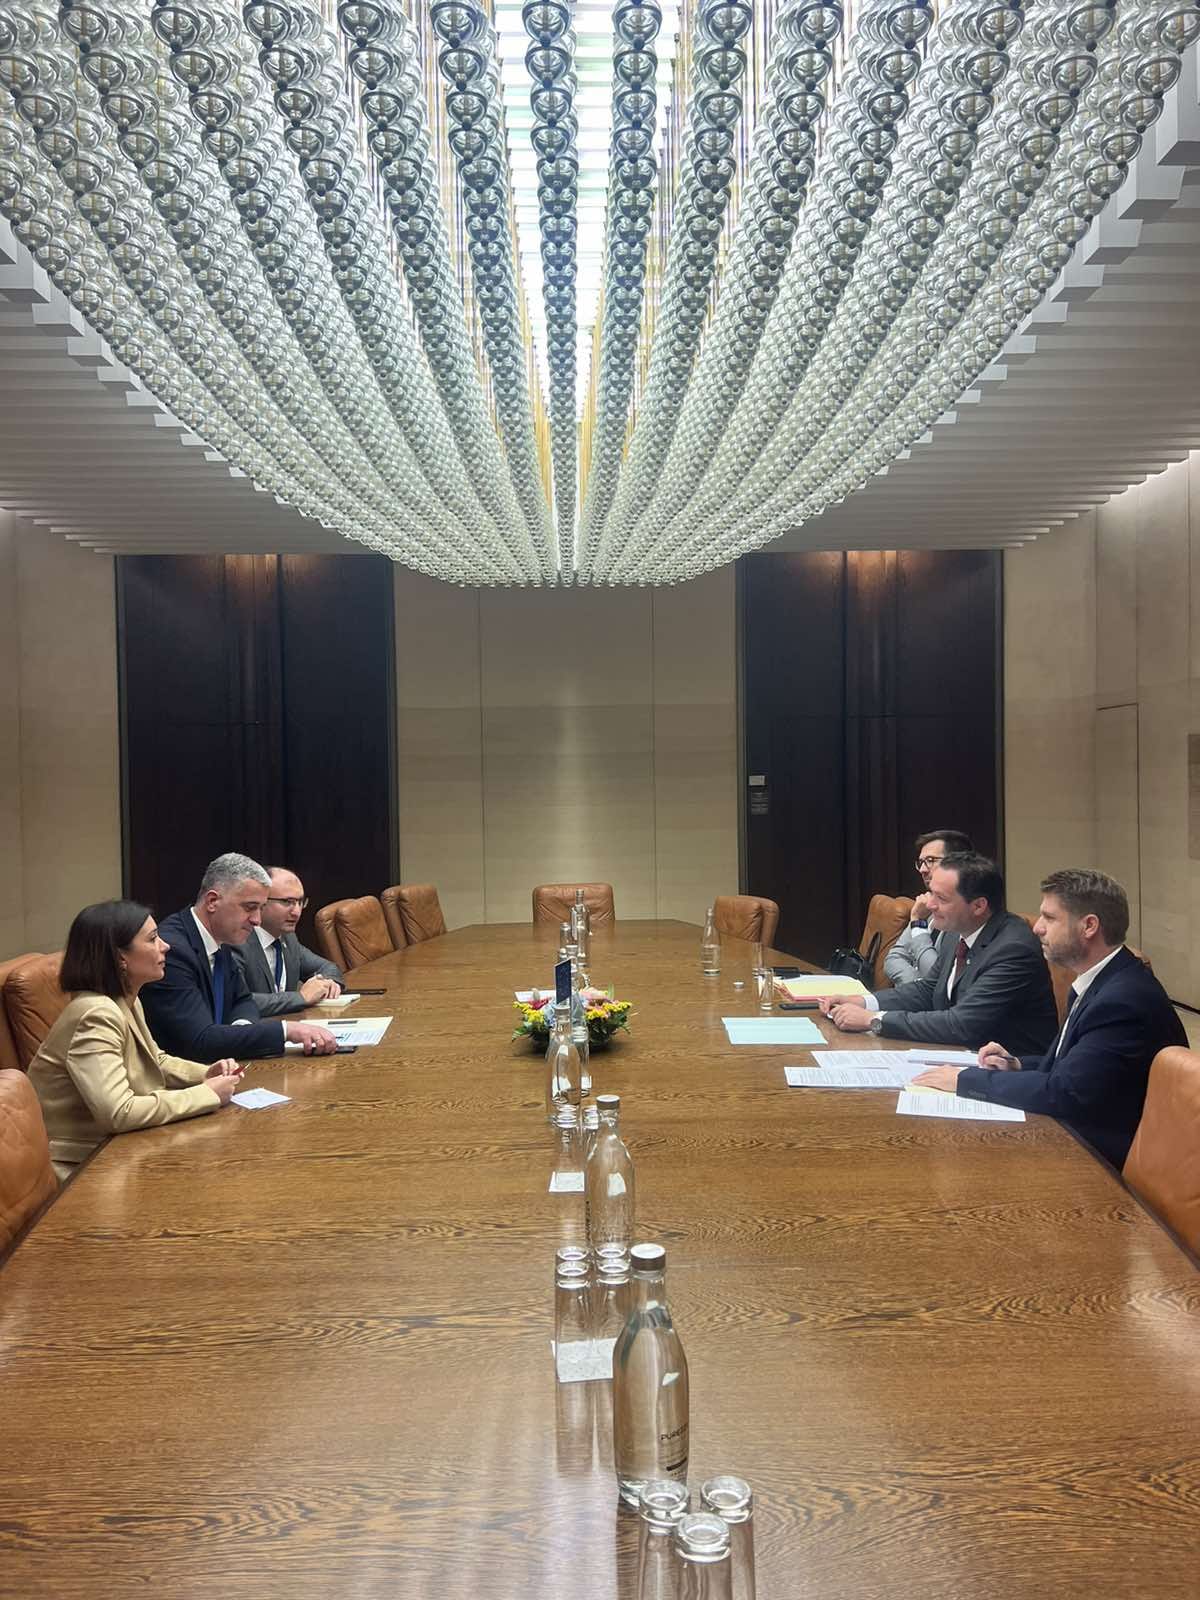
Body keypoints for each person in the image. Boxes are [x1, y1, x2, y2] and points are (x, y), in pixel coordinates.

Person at [913, 869, 1186, 1168]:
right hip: (1074, 1136)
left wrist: (965, 1079)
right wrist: (1016, 1064)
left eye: (1050, 918)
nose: (1038, 928)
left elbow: (1066, 1092)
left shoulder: (1123, 1000)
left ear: (1089, 926)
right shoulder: (1103, 979)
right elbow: (1073, 1069)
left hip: (1101, 1162)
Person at [28, 901, 245, 1181]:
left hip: (122, 1150)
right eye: (153, 939)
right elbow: (119, 1112)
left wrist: (205, 1074)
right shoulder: (96, 1014)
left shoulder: (125, 998)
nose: (165, 946)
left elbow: (157, 1060)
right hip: (81, 1168)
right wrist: (206, 1094)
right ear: (120, 957)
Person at [823, 852, 1058, 1053]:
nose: (930, 905)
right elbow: (928, 989)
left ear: (978, 906)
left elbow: (962, 1025)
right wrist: (864, 1001)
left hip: (1007, 1070)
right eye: (932, 893)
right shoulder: (958, 930)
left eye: (941, 898)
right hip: (959, 1055)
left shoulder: (1013, 949)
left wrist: (874, 1020)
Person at [142, 852, 337, 1063]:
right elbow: (198, 1042)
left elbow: (242, 1001)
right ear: (212, 901)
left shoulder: (221, 937)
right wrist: (286, 1031)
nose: (257, 920)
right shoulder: (173, 950)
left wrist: (240, 1030)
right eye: (250, 908)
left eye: (261, 908)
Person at [232, 866, 343, 1017]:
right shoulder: (237, 941)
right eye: (287, 902)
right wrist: (301, 997)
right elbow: (238, 1002)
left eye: (300, 902)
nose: (296, 912)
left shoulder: (287, 938)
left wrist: (326, 984)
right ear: (261, 902)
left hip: (290, 1025)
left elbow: (328, 968)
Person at [883, 828, 974, 984]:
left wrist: (918, 924)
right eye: (920, 863)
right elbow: (893, 958)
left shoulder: (965, 910)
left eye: (931, 860)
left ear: (957, 864)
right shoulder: (927, 904)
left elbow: (940, 977)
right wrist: (919, 988)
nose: (922, 870)